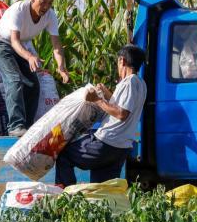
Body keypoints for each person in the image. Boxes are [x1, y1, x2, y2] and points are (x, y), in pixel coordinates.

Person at [55, 45, 147, 186]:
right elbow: (121, 105)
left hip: (106, 142)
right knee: (102, 189)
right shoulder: (141, 84)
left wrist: (96, 100)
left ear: (122, 61)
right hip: (120, 148)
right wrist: (106, 93)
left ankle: (66, 197)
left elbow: (122, 113)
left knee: (63, 154)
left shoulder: (130, 82)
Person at [0, 0, 70, 137]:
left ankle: (27, 126)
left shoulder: (50, 15)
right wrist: (30, 56)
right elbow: (14, 41)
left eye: (50, 3)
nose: (46, 7)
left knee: (33, 84)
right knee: (14, 80)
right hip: (1, 43)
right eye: (42, 2)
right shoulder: (19, 10)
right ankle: (15, 126)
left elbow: (56, 45)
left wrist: (61, 67)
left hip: (20, 45)